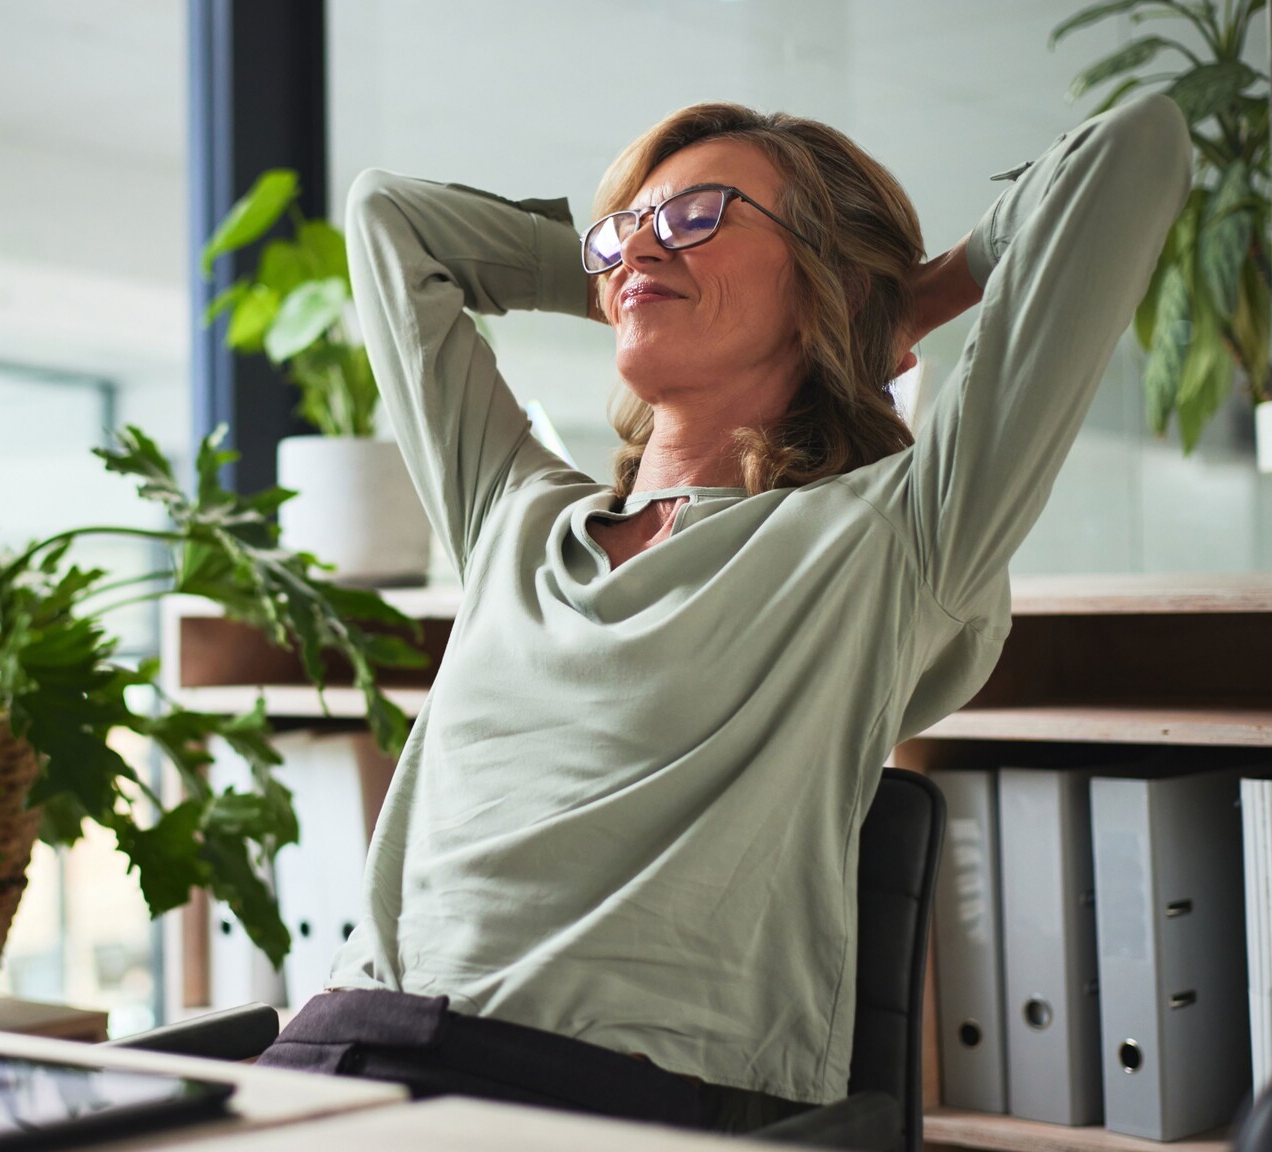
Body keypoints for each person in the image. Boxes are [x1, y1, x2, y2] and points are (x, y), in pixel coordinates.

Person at [256, 94, 1190, 1133]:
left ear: (822, 277)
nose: (641, 244)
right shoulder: (511, 518)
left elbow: (1131, 149)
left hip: (583, 1096)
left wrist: (898, 302)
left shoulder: (886, 539)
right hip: (331, 1053)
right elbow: (390, 217)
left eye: (698, 213)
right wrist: (632, 274)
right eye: (626, 226)